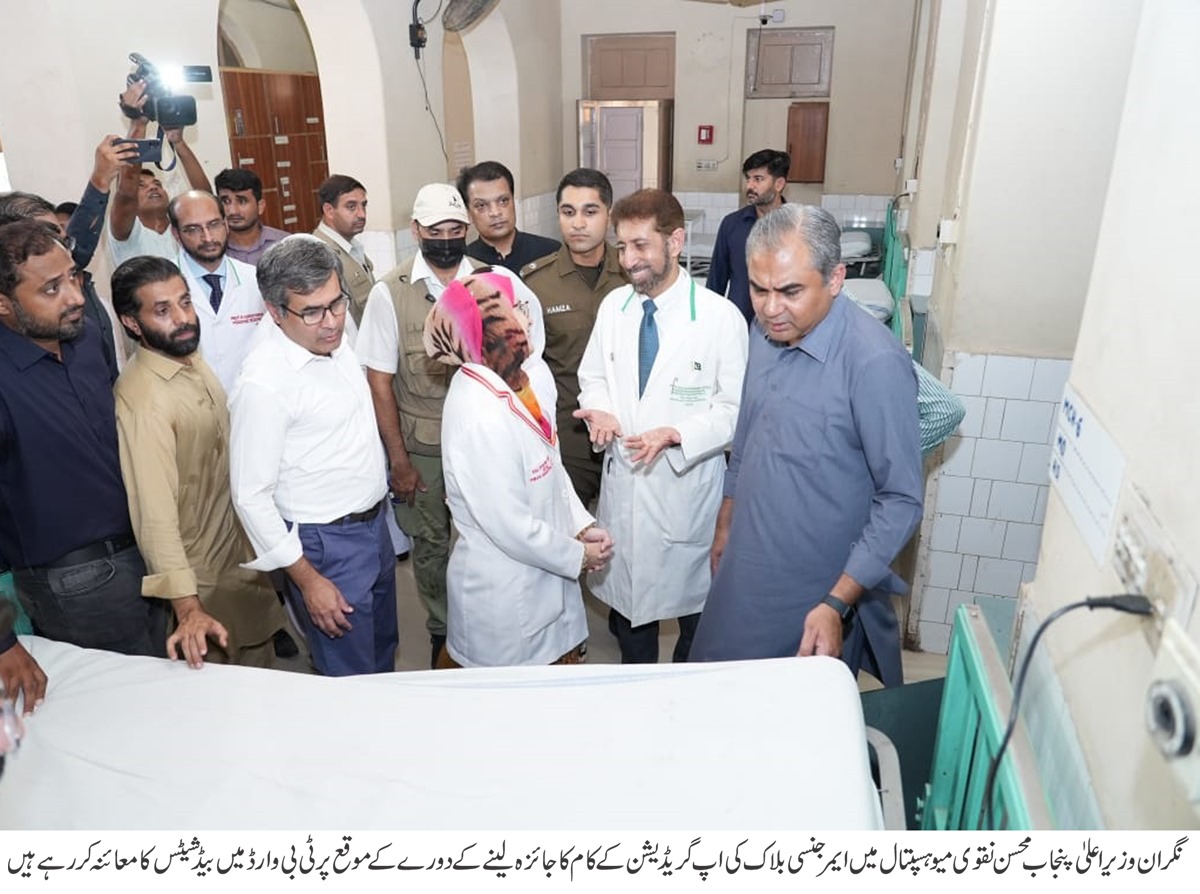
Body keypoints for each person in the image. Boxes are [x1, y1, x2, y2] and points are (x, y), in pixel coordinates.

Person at [689, 205, 924, 687]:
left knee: (789, 709)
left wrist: (837, 602)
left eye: (790, 291)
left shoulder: (873, 362)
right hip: (747, 557)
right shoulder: (764, 332)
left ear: (835, 279)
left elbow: (901, 499)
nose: (771, 308)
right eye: (759, 289)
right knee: (711, 685)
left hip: (819, 583)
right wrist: (726, 518)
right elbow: (749, 428)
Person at [357, 182, 549, 667]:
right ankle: (443, 631)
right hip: (425, 447)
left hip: (490, 441)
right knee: (431, 543)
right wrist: (398, 461)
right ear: (415, 230)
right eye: (435, 230)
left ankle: (489, 627)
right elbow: (380, 382)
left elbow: (526, 357)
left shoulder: (495, 281)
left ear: (466, 229)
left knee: (494, 533)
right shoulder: (390, 293)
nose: (445, 239)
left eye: (454, 230)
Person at [576, 188, 748, 664]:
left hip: (685, 492)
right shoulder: (615, 307)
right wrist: (601, 409)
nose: (628, 260)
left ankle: (683, 692)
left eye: (640, 246)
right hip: (625, 487)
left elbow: (735, 410)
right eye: (622, 247)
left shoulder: (719, 318)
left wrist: (678, 434)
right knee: (633, 620)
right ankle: (639, 692)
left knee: (697, 621)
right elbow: (593, 376)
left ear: (675, 242)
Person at [0, 219, 169, 658]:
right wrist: (3, 643)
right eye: (51, 289)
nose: (76, 297)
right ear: (3, 304)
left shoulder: (84, 336)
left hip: (142, 550)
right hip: (74, 580)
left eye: (73, 277)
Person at [229, 236, 397, 676]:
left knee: (383, 651)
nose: (331, 323)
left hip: (373, 527)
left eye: (336, 303)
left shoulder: (336, 339)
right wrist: (308, 580)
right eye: (312, 312)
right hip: (326, 546)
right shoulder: (264, 384)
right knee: (351, 676)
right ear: (275, 312)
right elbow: (250, 496)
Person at [425, 272, 612, 667]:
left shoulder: (517, 383)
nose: (527, 320)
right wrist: (577, 555)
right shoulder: (479, 415)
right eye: (517, 311)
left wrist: (579, 525)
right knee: (512, 700)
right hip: (506, 597)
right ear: (491, 330)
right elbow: (510, 525)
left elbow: (550, 466)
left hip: (542, 571)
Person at [111, 256, 287, 668]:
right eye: (162, 310)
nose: (183, 318)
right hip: (203, 582)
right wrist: (187, 606)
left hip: (239, 555)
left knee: (265, 676)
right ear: (132, 323)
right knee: (227, 693)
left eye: (185, 302)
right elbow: (154, 516)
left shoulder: (190, 359)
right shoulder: (144, 402)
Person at [521, 168, 628, 506]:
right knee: (570, 530)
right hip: (568, 438)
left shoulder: (633, 275)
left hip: (629, 432)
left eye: (590, 211)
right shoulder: (537, 284)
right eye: (568, 212)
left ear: (609, 215)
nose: (578, 223)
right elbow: (525, 369)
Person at [166, 190, 267, 392]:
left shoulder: (256, 280)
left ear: (226, 224)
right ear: (176, 234)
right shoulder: (161, 286)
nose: (207, 237)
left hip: (249, 400)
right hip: (191, 403)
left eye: (214, 224)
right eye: (193, 229)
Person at [109, 78, 212, 268]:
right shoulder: (125, 231)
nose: (153, 188)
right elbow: (126, 191)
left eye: (157, 184)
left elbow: (207, 199)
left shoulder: (181, 228)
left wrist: (178, 142)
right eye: (142, 186)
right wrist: (138, 123)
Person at [706, 149, 790, 323]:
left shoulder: (797, 226)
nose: (750, 186)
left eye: (758, 179)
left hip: (783, 324)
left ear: (779, 184)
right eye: (748, 179)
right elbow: (716, 281)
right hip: (739, 323)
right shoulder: (732, 225)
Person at [459, 161, 560, 273]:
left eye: (503, 201)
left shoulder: (551, 253)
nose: (495, 212)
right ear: (468, 213)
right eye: (481, 205)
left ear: (513, 201)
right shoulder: (463, 264)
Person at [312, 174, 374, 323]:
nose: (362, 214)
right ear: (329, 210)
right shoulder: (320, 255)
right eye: (351, 207)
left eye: (363, 205)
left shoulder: (352, 246)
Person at [214, 169, 291, 266]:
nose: (233, 211)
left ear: (260, 206)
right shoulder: (212, 249)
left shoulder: (287, 245)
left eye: (242, 201)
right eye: (225, 201)